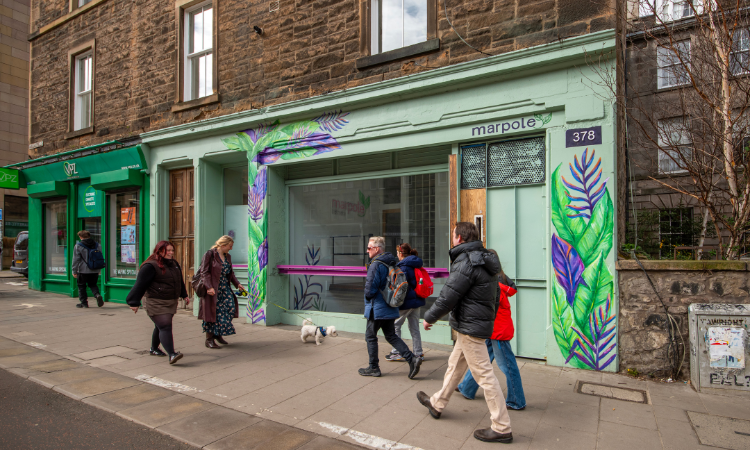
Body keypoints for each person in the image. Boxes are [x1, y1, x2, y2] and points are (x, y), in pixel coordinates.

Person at [416, 222, 513, 444]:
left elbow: (448, 295)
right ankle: (437, 403)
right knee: (455, 365)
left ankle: (502, 427)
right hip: (472, 324)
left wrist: (430, 317)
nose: (452, 238)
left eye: (453, 235)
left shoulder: (467, 261)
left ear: (459, 237)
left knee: (485, 376)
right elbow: (495, 296)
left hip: (470, 327)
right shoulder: (486, 259)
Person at [457, 265, 527, 411]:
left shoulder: (494, 287)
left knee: (508, 366)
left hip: (498, 333)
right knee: (481, 361)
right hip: (493, 330)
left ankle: (517, 400)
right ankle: (467, 387)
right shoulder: (499, 280)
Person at [359, 236, 422, 379]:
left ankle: (373, 367)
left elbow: (370, 289)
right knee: (391, 335)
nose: (367, 251)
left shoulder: (376, 264)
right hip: (390, 306)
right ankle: (412, 359)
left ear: (376, 249)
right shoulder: (392, 262)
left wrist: (368, 298)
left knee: (370, 336)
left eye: (369, 248)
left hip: (377, 308)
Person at [126, 241, 190, 364]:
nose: (171, 253)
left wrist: (184, 295)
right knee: (165, 326)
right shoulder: (150, 266)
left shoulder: (174, 264)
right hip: (155, 301)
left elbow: (179, 280)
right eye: (168, 250)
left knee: (160, 326)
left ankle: (154, 348)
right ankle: (172, 354)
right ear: (160, 251)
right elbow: (140, 284)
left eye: (172, 250)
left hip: (170, 301)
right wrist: (133, 302)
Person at [199, 235, 244, 349]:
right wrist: (209, 287)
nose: (231, 248)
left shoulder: (227, 256)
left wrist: (237, 284)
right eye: (230, 246)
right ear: (223, 245)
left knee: (230, 308)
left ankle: (218, 333)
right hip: (213, 289)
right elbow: (204, 272)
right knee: (213, 313)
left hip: (225, 288)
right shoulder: (209, 254)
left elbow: (230, 273)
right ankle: (209, 339)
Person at [385, 243, 425, 362]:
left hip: (406, 302)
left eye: (397, 253)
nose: (397, 255)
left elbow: (402, 287)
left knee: (395, 325)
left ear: (401, 253)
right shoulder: (416, 263)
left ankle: (396, 352)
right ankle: (418, 353)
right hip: (417, 300)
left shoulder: (403, 267)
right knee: (414, 328)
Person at [72, 230, 104, 308]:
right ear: (89, 236)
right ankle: (97, 295)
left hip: (83, 270)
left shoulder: (78, 246)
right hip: (94, 269)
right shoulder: (97, 245)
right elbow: (100, 257)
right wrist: (98, 269)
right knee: (93, 284)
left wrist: (74, 270)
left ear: (80, 237)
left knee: (81, 286)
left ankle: (84, 303)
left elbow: (76, 259)